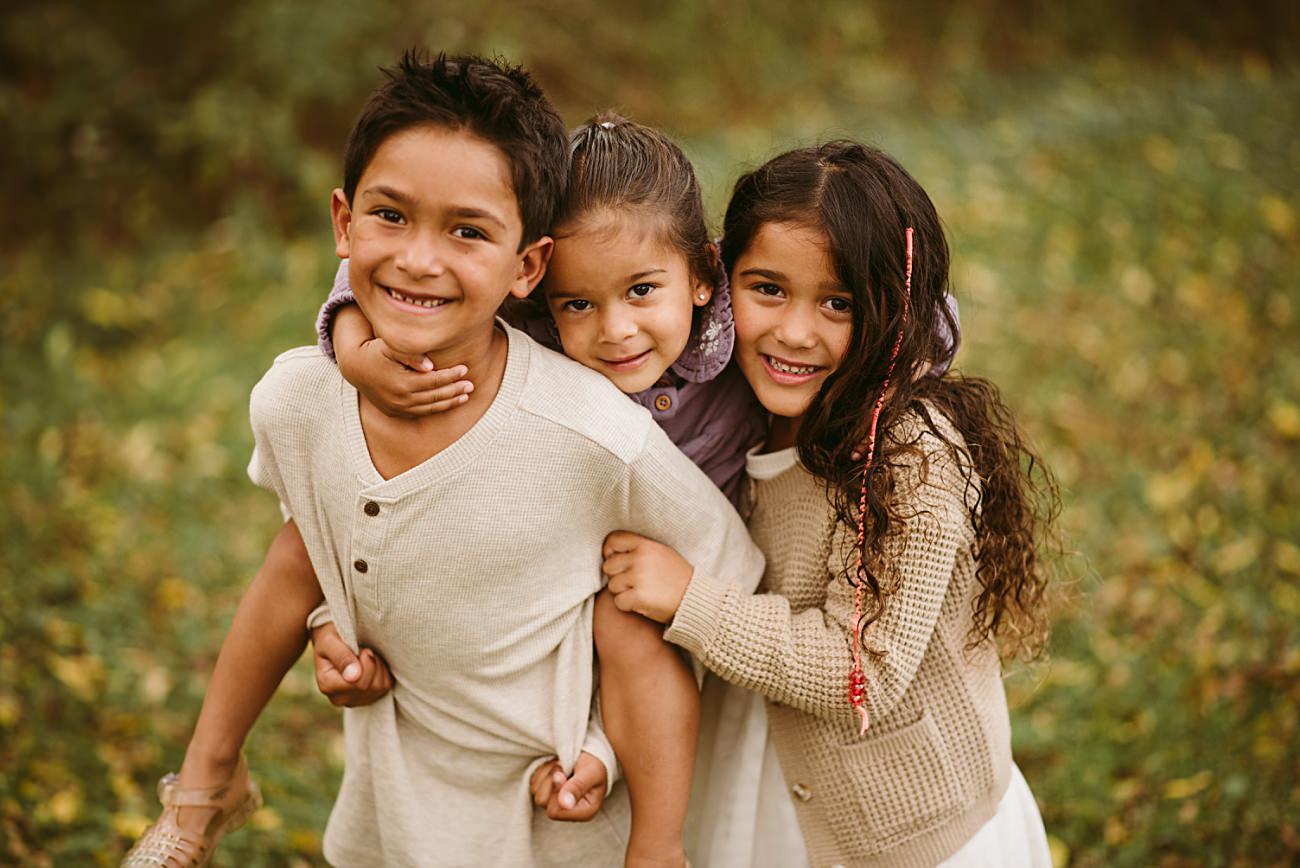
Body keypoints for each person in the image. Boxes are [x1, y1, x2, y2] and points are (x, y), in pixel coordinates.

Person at [125, 53, 764, 868]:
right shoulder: (297, 401)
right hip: (394, 807)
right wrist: (331, 625)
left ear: (526, 266)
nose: (421, 260)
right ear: (342, 221)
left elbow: (723, 573)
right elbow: (323, 546)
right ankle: (201, 796)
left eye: (467, 231)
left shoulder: (593, 428)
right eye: (390, 217)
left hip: (560, 810)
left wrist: (607, 739)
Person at [317, 112, 780, 867]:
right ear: (538, 284)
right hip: (551, 579)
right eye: (579, 304)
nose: (615, 330)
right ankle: (588, 752)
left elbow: (885, 303)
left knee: (625, 619)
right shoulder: (525, 330)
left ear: (703, 275)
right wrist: (352, 341)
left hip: (681, 580)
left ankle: (657, 848)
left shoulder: (735, 343)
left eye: (641, 291)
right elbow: (386, 272)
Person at [602, 141, 1059, 867]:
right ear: (720, 285)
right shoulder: (728, 405)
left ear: (888, 312)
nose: (794, 331)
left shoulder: (910, 452)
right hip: (775, 792)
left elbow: (860, 671)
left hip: (917, 839)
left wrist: (689, 599)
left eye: (837, 303)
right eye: (768, 289)